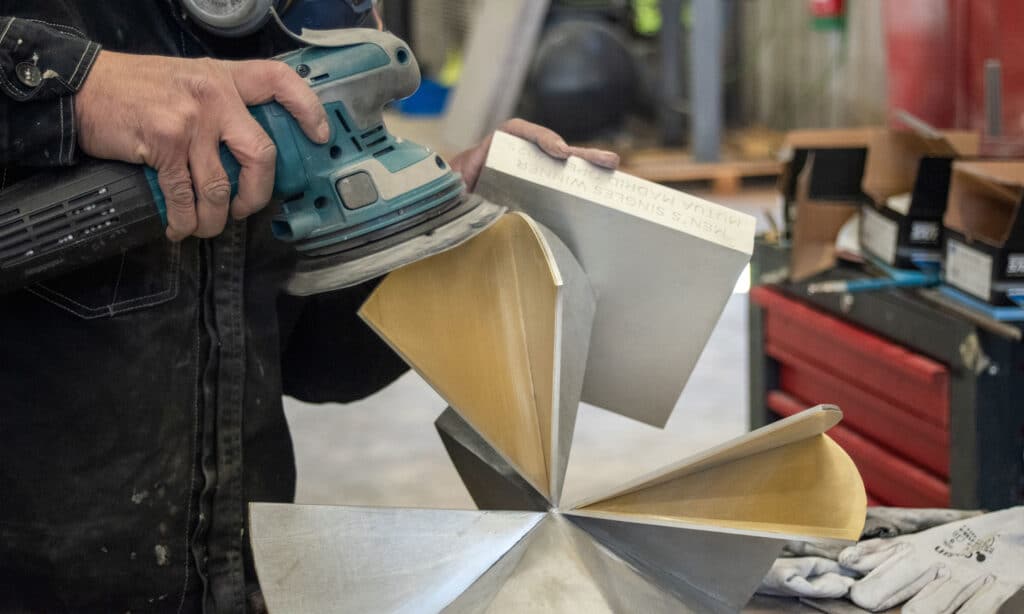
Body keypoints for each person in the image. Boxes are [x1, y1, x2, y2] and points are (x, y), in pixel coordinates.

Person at [0, 2, 618, 612]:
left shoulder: (297, 20)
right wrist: (75, 88)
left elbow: (311, 361)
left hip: (235, 575)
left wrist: (423, 235)